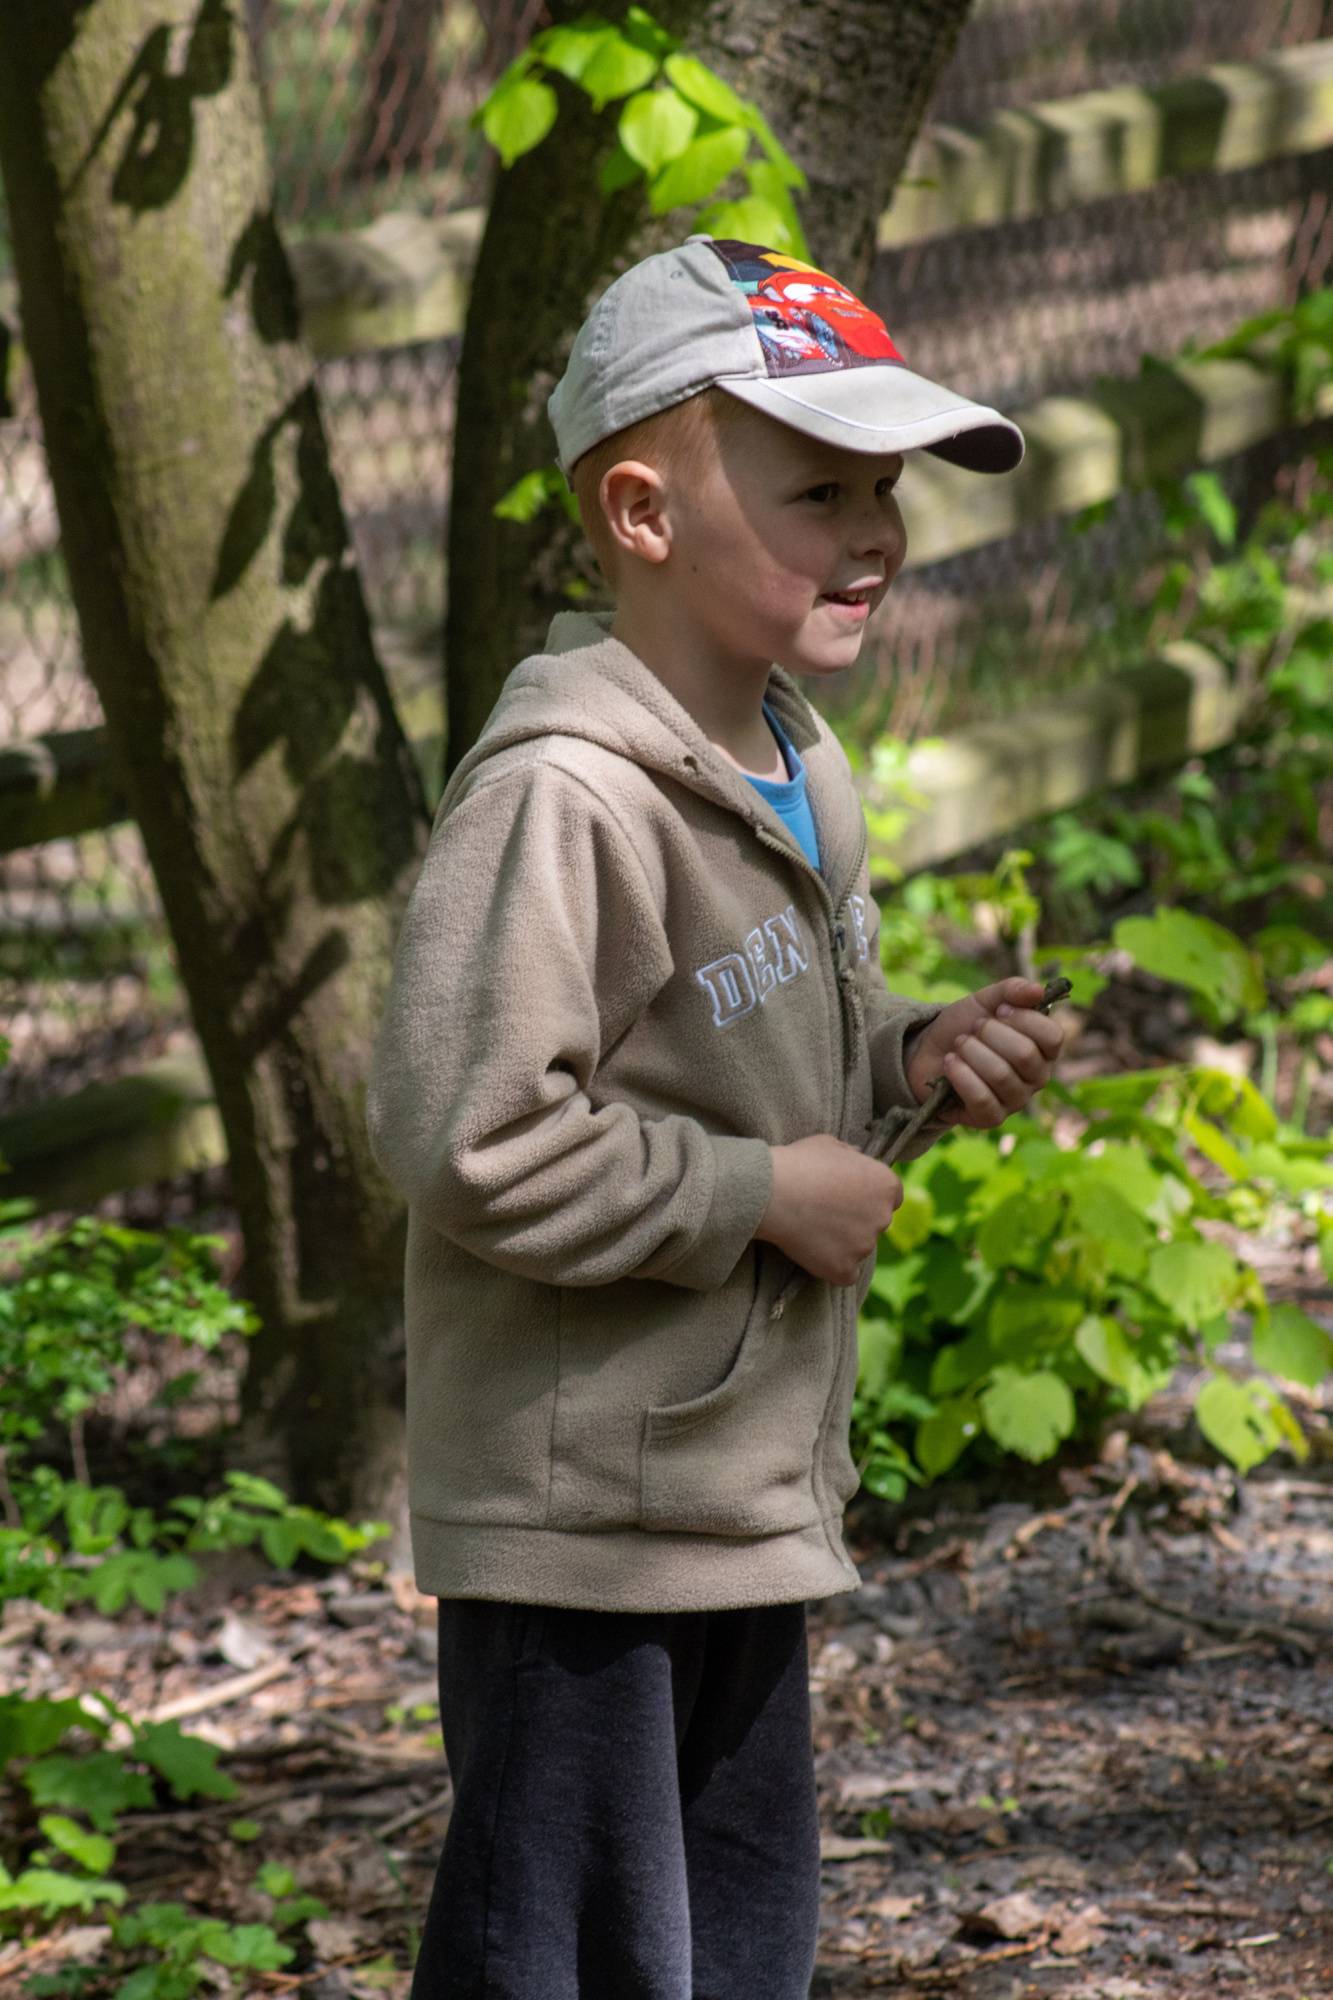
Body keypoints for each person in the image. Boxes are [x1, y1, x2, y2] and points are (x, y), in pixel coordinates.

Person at [366, 234, 1064, 2000]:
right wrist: (755, 1194)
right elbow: (472, 1137)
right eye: (818, 490)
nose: (875, 532)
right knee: (567, 1953)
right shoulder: (563, 803)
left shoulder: (795, 758)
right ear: (641, 512)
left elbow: (741, 1043)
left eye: (884, 488)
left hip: (732, 1485)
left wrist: (905, 1054)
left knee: (736, 1938)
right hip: (584, 1521)